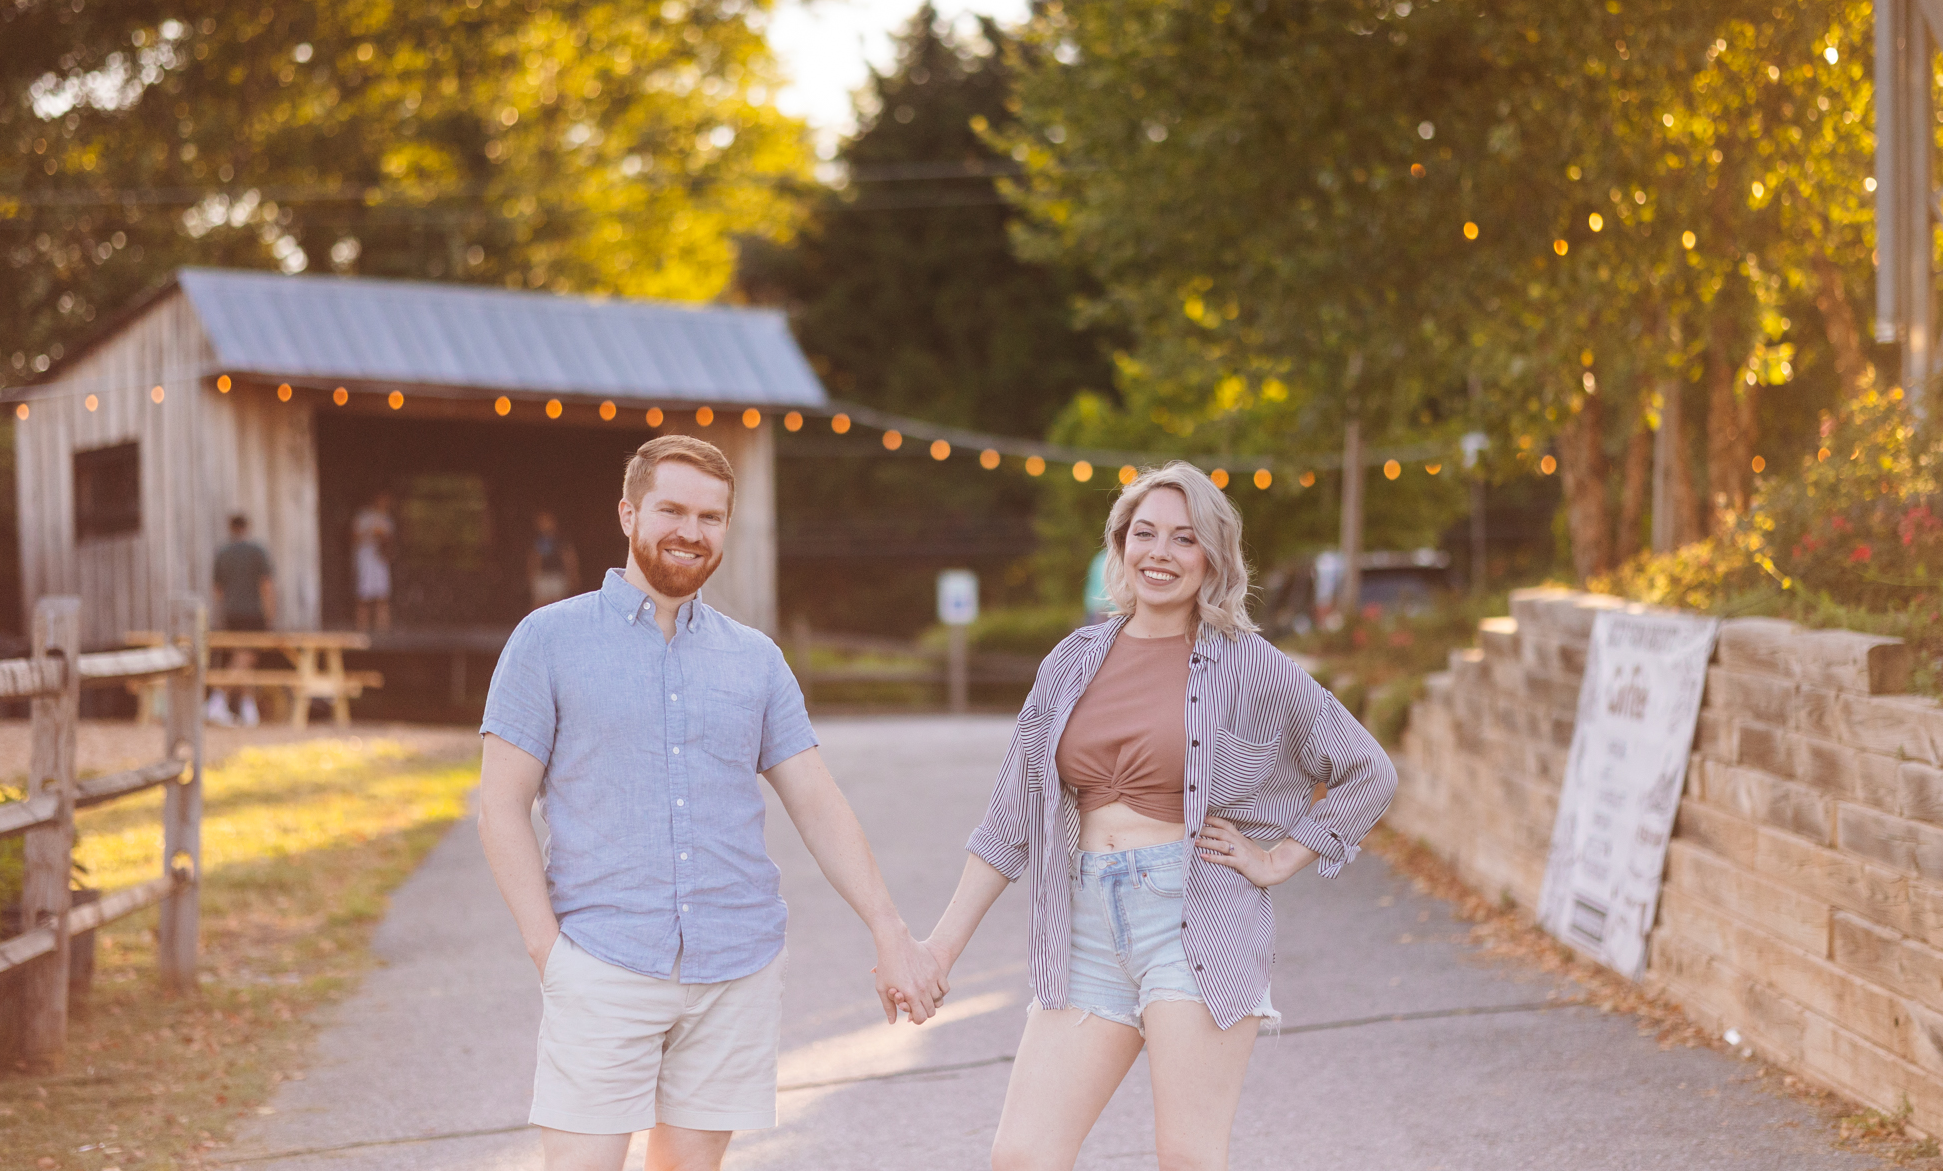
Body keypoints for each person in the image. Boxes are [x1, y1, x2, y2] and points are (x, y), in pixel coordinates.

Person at [477, 435, 947, 1171]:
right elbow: (499, 806)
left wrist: (891, 930)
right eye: (672, 509)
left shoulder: (755, 658)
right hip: (602, 961)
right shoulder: (548, 640)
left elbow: (817, 801)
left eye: (711, 516)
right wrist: (550, 953)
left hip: (736, 966)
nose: (691, 531)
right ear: (629, 511)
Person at [911, 461, 1397, 1170]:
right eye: (1145, 534)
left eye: (1184, 538)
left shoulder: (1249, 664)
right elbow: (1008, 820)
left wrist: (1279, 858)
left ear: (1213, 558)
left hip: (1192, 917)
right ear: (1121, 543)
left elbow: (1368, 771)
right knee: (1022, 1154)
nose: (1160, 554)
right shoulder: (1071, 662)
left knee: (1188, 1158)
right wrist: (939, 949)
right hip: (1083, 926)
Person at [208, 513, 274, 726]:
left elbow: (217, 589)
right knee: (247, 658)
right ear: (247, 527)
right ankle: (218, 699)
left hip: (231, 613)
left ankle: (247, 708)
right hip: (253, 612)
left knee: (241, 658)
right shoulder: (257, 551)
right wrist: (270, 612)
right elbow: (266, 585)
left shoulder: (223, 554)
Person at [352, 491, 395, 631]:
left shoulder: (387, 519)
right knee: (363, 596)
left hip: (380, 561)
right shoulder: (363, 517)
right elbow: (353, 538)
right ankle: (361, 629)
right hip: (365, 560)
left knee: (382, 596)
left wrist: (383, 539)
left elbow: (390, 541)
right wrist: (370, 532)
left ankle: (383, 630)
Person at [527, 510, 581, 609]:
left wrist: (573, 574)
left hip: (558, 575)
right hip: (542, 575)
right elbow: (534, 558)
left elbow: (568, 557)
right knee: (539, 603)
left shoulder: (561, 539)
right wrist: (532, 575)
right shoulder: (537, 539)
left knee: (558, 603)